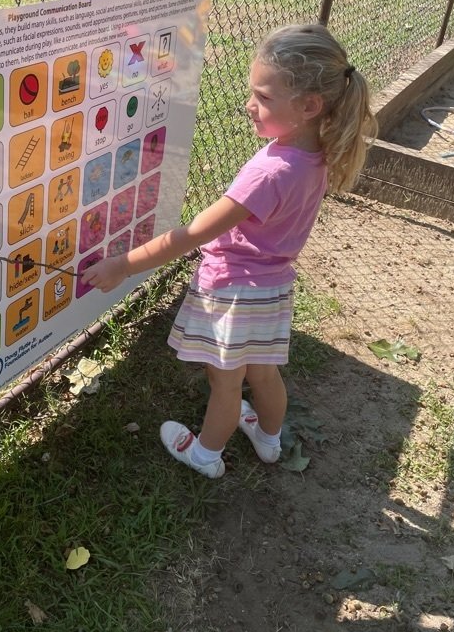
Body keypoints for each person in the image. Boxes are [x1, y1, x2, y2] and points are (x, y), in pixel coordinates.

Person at [81, 24, 376, 478]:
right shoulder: (317, 154)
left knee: (225, 384)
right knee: (264, 374)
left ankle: (205, 454)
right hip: (273, 287)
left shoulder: (269, 172)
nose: (249, 105)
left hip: (234, 290)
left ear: (309, 106)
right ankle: (269, 440)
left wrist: (124, 264)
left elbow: (191, 234)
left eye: (262, 97)